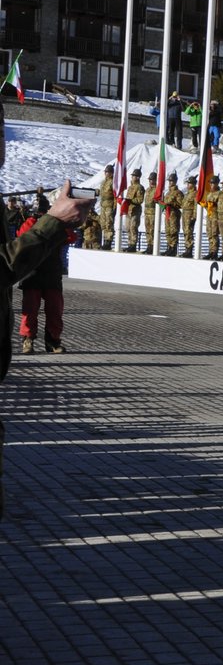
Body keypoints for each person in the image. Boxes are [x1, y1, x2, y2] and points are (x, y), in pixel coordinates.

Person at [2, 185, 93, 517]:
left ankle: (52, 342)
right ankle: (28, 340)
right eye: (39, 211)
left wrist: (63, 227)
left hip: (52, 277)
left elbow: (68, 239)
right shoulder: (31, 226)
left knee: (54, 313)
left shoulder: (54, 226)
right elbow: (21, 247)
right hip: (32, 278)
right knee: (29, 314)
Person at [16, 204, 76, 355]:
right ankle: (27, 340)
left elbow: (71, 236)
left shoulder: (57, 224)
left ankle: (53, 341)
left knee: (55, 310)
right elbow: (22, 235)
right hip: (33, 273)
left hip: (51, 274)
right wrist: (35, 220)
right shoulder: (30, 223)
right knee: (30, 310)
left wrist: (59, 221)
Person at [95, 165, 116, 250]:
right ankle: (105, 239)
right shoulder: (103, 182)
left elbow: (115, 195)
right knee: (103, 224)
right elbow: (102, 193)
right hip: (103, 205)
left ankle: (108, 241)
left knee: (109, 224)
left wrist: (114, 207)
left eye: (108, 172)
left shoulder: (113, 182)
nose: (106, 174)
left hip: (109, 206)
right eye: (106, 172)